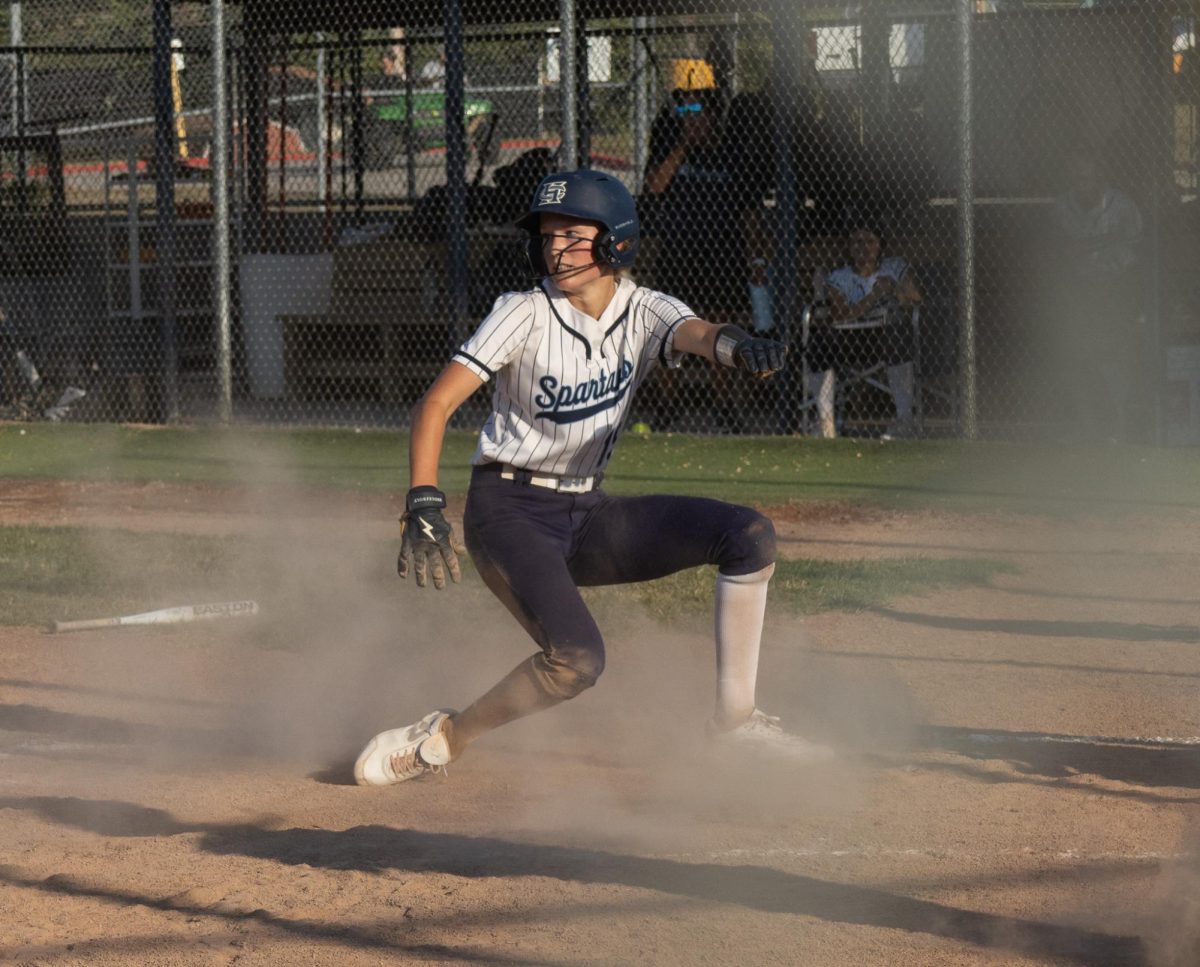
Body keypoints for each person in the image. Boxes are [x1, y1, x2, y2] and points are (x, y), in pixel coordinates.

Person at [354, 169, 828, 786]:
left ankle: (735, 724)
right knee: (576, 662)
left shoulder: (643, 308)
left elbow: (700, 334)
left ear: (617, 241)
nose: (556, 248)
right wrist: (423, 498)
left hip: (586, 512)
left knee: (749, 536)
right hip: (508, 513)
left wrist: (740, 349)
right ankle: (447, 737)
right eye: (549, 235)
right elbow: (437, 404)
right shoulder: (522, 312)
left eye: (573, 234)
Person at [641, 84, 772, 430]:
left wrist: (757, 260)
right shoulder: (672, 149)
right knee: (670, 329)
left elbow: (750, 216)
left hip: (721, 255)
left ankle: (724, 406)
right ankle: (668, 406)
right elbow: (654, 186)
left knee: (717, 330)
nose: (690, 120)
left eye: (696, 113)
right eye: (684, 113)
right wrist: (683, 146)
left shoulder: (733, 157)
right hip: (679, 254)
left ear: (714, 117)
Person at [1048, 152, 1143, 441]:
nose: (1084, 184)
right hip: (1078, 289)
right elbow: (1058, 250)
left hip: (1115, 288)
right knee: (1076, 360)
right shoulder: (1062, 206)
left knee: (1111, 357)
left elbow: (1137, 247)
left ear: (1102, 178)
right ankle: (1087, 427)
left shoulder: (1123, 206)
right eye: (1078, 178)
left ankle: (1121, 426)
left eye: (1090, 178)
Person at [806, 221, 922, 438]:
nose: (863, 247)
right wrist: (874, 297)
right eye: (857, 242)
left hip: (886, 338)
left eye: (870, 241)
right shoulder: (839, 277)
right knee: (819, 341)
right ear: (849, 247)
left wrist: (896, 290)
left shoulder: (894, 267)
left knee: (897, 334)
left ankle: (905, 420)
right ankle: (826, 422)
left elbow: (915, 298)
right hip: (851, 340)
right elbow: (839, 315)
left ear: (880, 246)